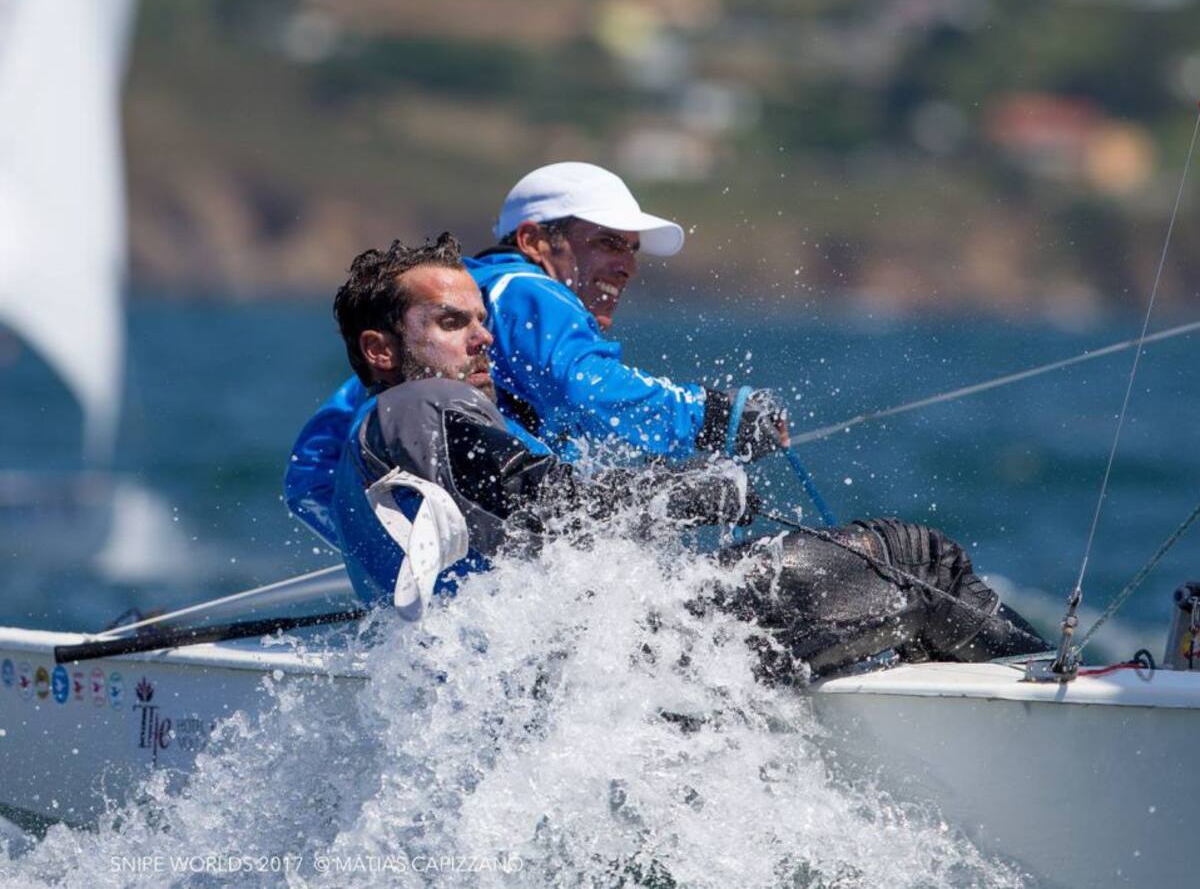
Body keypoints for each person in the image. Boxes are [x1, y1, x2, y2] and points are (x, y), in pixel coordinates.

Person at [329, 232, 1051, 675]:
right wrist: (696, 491)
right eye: (453, 324)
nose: (485, 340)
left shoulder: (360, 444)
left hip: (538, 662)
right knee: (914, 557)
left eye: (484, 322)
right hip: (611, 660)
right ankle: (1054, 693)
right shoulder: (424, 405)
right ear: (381, 349)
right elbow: (552, 505)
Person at [285, 162, 786, 549]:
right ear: (533, 241)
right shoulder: (521, 287)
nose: (627, 266)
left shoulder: (418, 343)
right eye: (608, 242)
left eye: (632, 249)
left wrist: (402, 558)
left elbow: (310, 473)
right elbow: (584, 389)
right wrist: (720, 417)